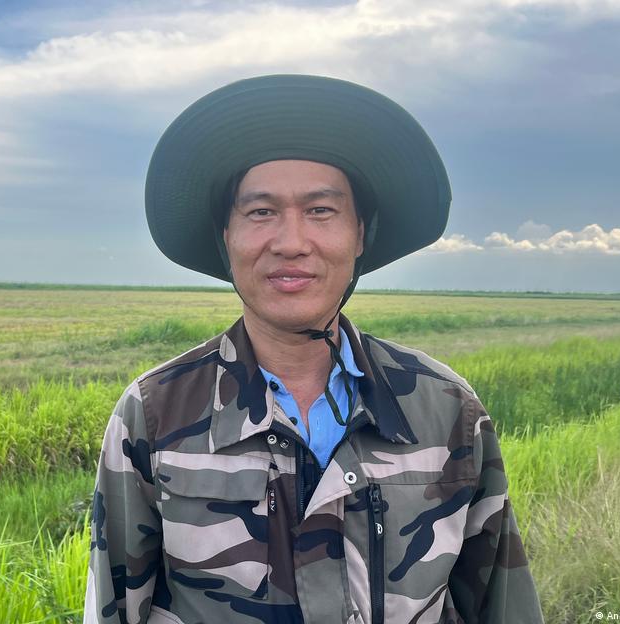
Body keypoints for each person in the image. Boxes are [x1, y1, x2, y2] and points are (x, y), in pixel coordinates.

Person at [84, 74, 543, 624]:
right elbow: (115, 607)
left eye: (321, 211)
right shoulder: (154, 414)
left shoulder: (445, 410)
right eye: (260, 212)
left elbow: (499, 603)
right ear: (224, 238)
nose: (292, 242)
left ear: (360, 235)